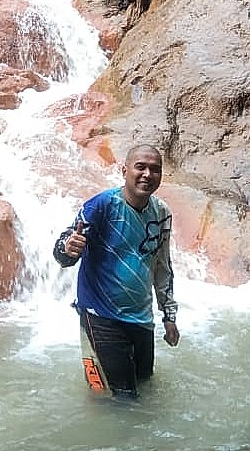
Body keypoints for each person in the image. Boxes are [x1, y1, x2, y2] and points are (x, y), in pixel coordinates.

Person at [53, 144, 180, 399]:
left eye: (154, 169)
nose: (147, 174)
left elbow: (162, 266)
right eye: (140, 167)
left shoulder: (162, 213)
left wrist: (169, 315)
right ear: (124, 171)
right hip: (101, 316)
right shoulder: (102, 206)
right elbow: (63, 252)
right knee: (120, 400)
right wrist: (68, 248)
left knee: (144, 386)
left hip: (141, 318)